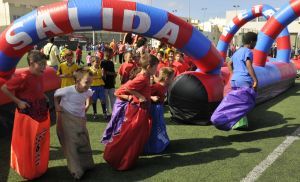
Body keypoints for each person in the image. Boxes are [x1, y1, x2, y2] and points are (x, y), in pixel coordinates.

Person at [103, 54, 159, 170]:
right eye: (155, 67)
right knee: (129, 136)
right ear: (149, 67)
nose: (157, 69)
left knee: (136, 136)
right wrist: (139, 97)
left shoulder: (146, 75)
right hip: (137, 112)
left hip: (141, 110)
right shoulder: (142, 77)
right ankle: (117, 158)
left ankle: (127, 159)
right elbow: (127, 87)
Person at [1, 51, 50, 180]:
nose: (44, 67)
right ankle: (27, 167)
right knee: (29, 142)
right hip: (28, 115)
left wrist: (43, 96)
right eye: (41, 64)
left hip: (40, 112)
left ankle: (36, 164)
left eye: (45, 64)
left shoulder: (39, 74)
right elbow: (4, 88)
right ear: (32, 64)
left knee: (38, 139)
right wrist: (18, 102)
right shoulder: (23, 76)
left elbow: (37, 88)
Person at [54, 68, 94, 180]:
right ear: (77, 81)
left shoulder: (88, 91)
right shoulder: (67, 91)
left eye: (91, 82)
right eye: (87, 82)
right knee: (71, 143)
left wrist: (86, 106)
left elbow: (89, 97)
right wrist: (57, 105)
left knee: (83, 140)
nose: (89, 85)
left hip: (79, 119)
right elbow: (56, 95)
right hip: (66, 116)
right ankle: (76, 170)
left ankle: (87, 164)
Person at [144, 67, 175, 154]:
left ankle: (161, 143)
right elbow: (143, 93)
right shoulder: (157, 87)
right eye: (172, 77)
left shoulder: (164, 86)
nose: (173, 79)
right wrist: (151, 97)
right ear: (166, 78)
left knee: (160, 126)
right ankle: (153, 147)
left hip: (159, 110)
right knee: (154, 128)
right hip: (153, 111)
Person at [101, 48, 117, 115]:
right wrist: (113, 74)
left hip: (111, 84)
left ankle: (114, 112)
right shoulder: (103, 62)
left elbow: (113, 73)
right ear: (108, 53)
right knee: (106, 99)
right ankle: (107, 113)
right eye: (112, 53)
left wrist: (114, 78)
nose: (113, 54)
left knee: (113, 98)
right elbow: (103, 72)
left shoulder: (111, 62)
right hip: (104, 84)